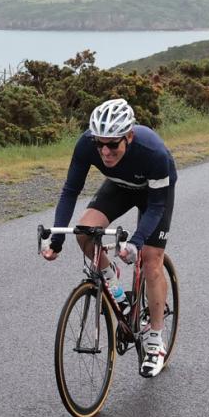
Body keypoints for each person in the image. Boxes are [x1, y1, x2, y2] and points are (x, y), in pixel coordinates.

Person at [41, 97, 177, 379]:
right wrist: (56, 238)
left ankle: (155, 340)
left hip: (154, 195)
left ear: (128, 136)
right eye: (99, 143)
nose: (105, 151)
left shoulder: (152, 152)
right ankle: (112, 281)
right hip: (120, 187)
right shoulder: (86, 145)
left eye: (113, 144)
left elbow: (156, 207)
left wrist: (136, 243)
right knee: (85, 232)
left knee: (151, 261)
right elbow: (70, 191)